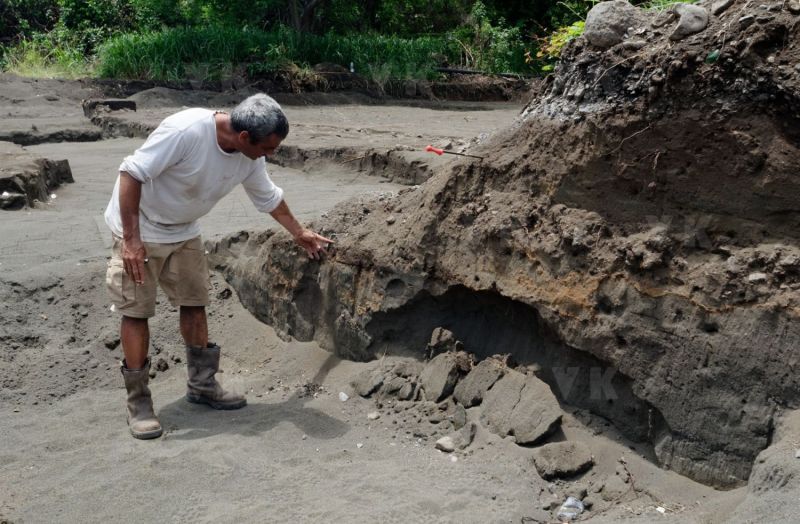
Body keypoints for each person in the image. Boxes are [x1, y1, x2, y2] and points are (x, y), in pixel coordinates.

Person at [104, 93, 332, 439]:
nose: (271, 155)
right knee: (136, 312)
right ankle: (138, 402)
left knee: (195, 305)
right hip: (142, 228)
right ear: (244, 137)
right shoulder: (186, 132)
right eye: (268, 148)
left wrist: (299, 232)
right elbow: (130, 173)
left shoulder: (250, 157)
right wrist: (132, 241)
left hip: (184, 230)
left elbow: (268, 196)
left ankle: (202, 385)